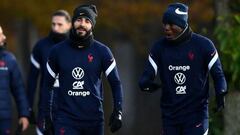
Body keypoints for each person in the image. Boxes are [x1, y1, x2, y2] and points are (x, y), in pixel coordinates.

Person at [139, 3, 227, 135]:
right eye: (165, 24)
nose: (167, 28)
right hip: (170, 117)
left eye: (171, 24)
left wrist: (221, 91)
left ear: (182, 25)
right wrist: (145, 82)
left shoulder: (203, 45)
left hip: (196, 116)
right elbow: (147, 75)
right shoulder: (159, 48)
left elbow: (218, 74)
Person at [44, 4, 123, 135]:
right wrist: (47, 117)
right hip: (65, 119)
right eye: (79, 20)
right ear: (73, 22)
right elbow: (47, 86)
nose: (82, 24)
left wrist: (118, 111)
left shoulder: (102, 51)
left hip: (94, 120)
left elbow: (115, 83)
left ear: (92, 25)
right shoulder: (57, 51)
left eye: (87, 21)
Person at [26, 10, 71, 135]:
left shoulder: (77, 47)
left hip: (70, 108)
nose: (55, 27)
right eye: (53, 24)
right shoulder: (41, 46)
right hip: (46, 107)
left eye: (60, 24)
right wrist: (28, 108)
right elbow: (32, 80)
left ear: (69, 25)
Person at [0, 26, 29, 134]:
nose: (4, 37)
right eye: (0, 34)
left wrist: (24, 114)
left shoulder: (9, 59)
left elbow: (19, 90)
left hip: (4, 119)